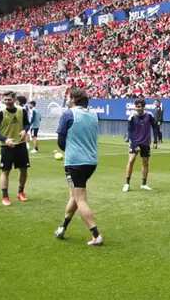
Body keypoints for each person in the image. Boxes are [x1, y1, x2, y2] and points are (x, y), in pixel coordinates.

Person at [53, 88, 104, 246]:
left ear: (74, 100)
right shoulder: (94, 114)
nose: (67, 100)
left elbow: (61, 141)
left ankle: (96, 234)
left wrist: (69, 150)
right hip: (91, 161)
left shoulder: (69, 114)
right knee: (74, 195)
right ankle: (63, 227)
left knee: (80, 198)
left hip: (75, 162)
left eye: (69, 98)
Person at [0, 91, 31, 206]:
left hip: (21, 145)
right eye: (5, 100)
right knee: (5, 171)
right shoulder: (0, 113)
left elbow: (27, 124)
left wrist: (25, 130)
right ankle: (5, 197)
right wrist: (5, 139)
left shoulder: (22, 110)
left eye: (9, 99)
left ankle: (20, 192)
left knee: (24, 170)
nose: (7, 102)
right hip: (6, 147)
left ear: (15, 99)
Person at [123, 99, 160, 192]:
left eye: (139, 107)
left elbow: (155, 127)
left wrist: (155, 141)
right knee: (131, 161)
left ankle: (144, 184)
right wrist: (135, 144)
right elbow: (130, 132)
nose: (138, 108)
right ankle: (127, 183)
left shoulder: (149, 115)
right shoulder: (132, 116)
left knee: (145, 163)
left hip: (146, 143)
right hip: (134, 142)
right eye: (136, 107)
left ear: (144, 107)